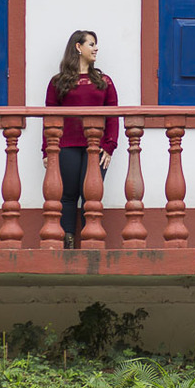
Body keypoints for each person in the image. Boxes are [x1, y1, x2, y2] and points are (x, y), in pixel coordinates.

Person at [46, 30, 119, 248]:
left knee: (91, 196)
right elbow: (49, 118)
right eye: (91, 44)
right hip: (66, 146)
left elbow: (113, 116)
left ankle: (90, 243)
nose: (96, 48)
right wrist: (46, 149)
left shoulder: (104, 81)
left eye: (96, 44)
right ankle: (67, 243)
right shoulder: (58, 82)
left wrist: (110, 146)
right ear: (78, 47)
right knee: (67, 196)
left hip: (96, 148)